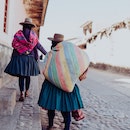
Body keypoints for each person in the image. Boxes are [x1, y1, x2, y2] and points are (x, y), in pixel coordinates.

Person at [38, 33, 87, 130]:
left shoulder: (50, 53)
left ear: (53, 43)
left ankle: (50, 125)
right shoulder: (69, 55)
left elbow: (45, 68)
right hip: (66, 83)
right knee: (66, 108)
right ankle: (67, 128)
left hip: (51, 84)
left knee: (51, 106)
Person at [4, 18, 47, 101]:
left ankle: (22, 93)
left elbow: (14, 45)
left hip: (20, 58)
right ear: (31, 27)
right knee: (27, 76)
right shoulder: (34, 36)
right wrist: (47, 54)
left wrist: (17, 54)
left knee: (21, 76)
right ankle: (27, 91)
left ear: (23, 26)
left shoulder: (18, 35)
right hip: (29, 59)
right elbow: (39, 46)